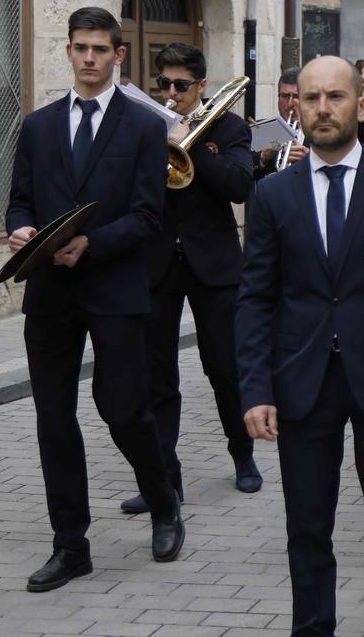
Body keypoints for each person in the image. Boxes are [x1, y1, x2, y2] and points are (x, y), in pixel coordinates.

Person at [236, 56, 364, 636]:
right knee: (307, 523)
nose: (323, 109)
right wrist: (255, 390)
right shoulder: (273, 195)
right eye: (310, 99)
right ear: (296, 107)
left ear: (361, 103)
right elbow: (254, 300)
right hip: (302, 383)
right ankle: (313, 628)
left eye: (335, 97)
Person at [5, 7, 184, 592]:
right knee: (53, 419)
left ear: (117, 55)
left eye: (100, 50)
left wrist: (91, 243)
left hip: (113, 287)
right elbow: (19, 201)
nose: (89, 58)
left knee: (124, 409)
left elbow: (148, 216)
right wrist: (22, 231)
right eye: (80, 48)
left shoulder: (141, 127)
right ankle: (70, 545)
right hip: (50, 292)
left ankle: (163, 503)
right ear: (69, 51)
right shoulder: (38, 125)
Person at [117, 44, 259, 517]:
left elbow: (239, 186)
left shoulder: (231, 128)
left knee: (224, 368)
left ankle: (243, 454)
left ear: (201, 86)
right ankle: (164, 480)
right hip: (157, 261)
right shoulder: (145, 127)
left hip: (214, 263)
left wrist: (191, 141)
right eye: (164, 84)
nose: (172, 93)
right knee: (157, 375)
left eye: (181, 85)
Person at [254, 70, 306, 179]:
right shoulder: (260, 128)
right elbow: (243, 177)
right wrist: (263, 157)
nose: (290, 103)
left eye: (296, 96)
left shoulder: (321, 133)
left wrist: (310, 160)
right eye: (285, 96)